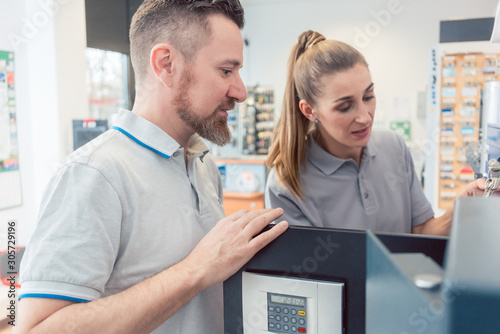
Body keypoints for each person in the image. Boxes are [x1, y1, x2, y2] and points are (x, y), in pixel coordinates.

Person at [16, 1, 288, 333]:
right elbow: (35, 330)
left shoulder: (202, 165)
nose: (241, 91)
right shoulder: (93, 175)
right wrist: (196, 269)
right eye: (226, 71)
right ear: (166, 64)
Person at [265, 30, 489, 236]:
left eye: (368, 96)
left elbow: (420, 231)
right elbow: (307, 278)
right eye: (345, 107)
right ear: (309, 110)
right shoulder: (286, 183)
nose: (365, 117)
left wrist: (461, 209)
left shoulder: (394, 146)